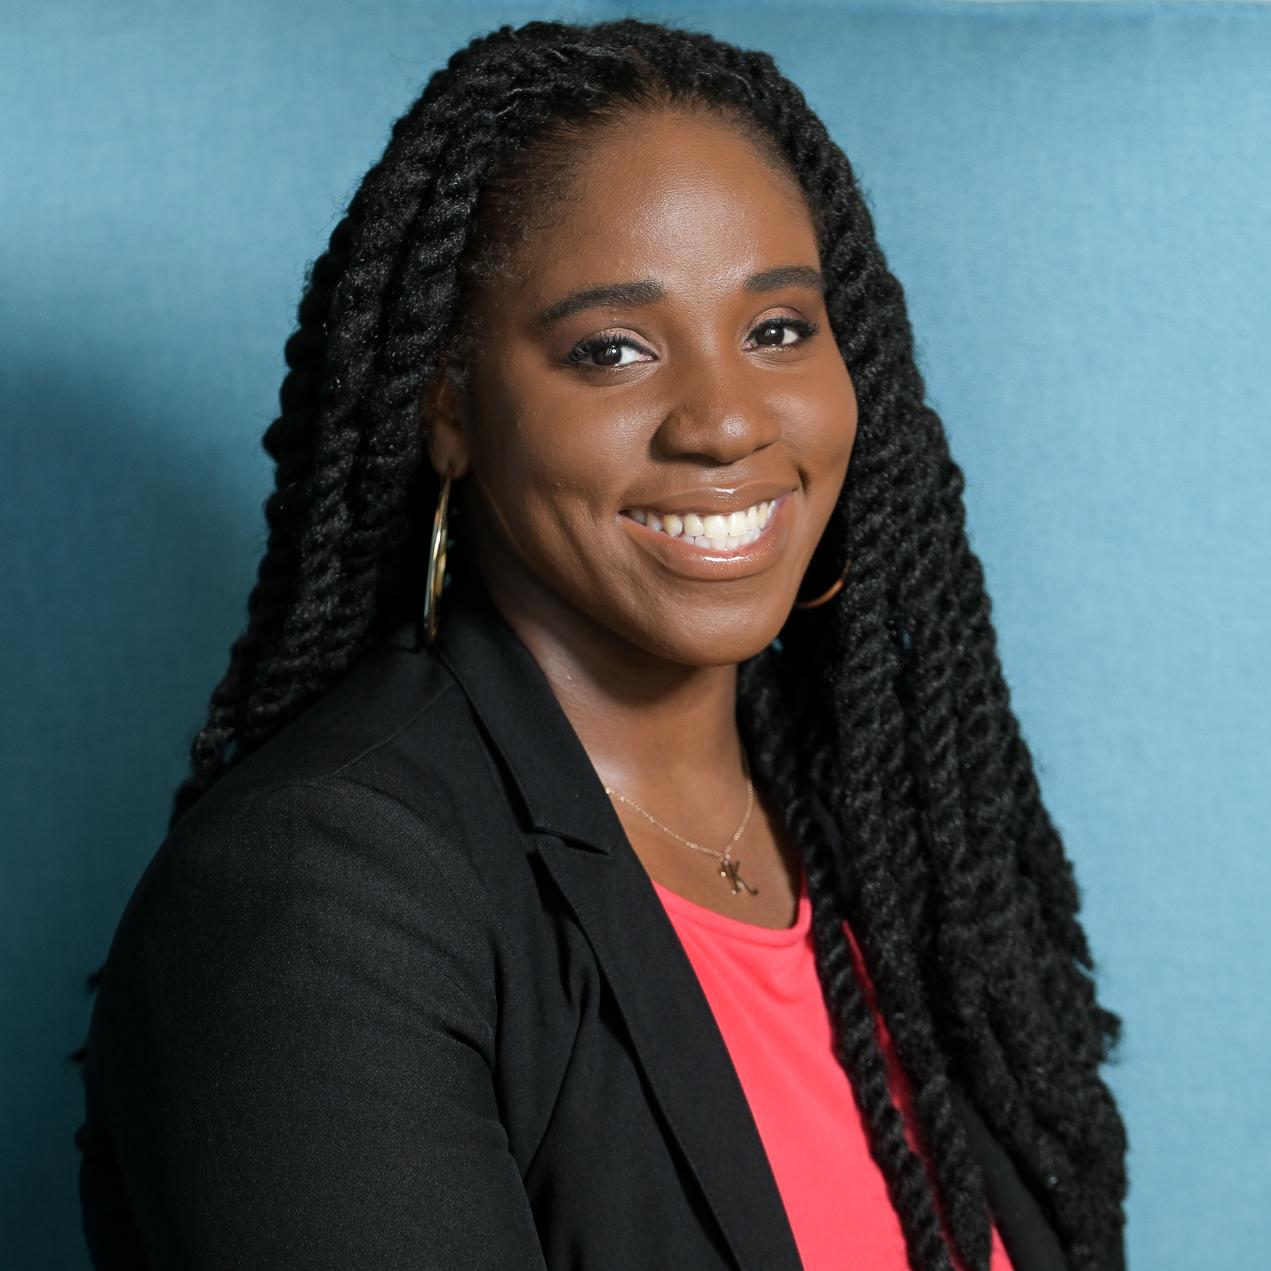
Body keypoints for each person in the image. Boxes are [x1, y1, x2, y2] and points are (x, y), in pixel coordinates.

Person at [72, 16, 1129, 1271]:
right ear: (450, 411)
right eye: (612, 349)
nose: (725, 418)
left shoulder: (882, 848)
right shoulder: (317, 902)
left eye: (779, 328)